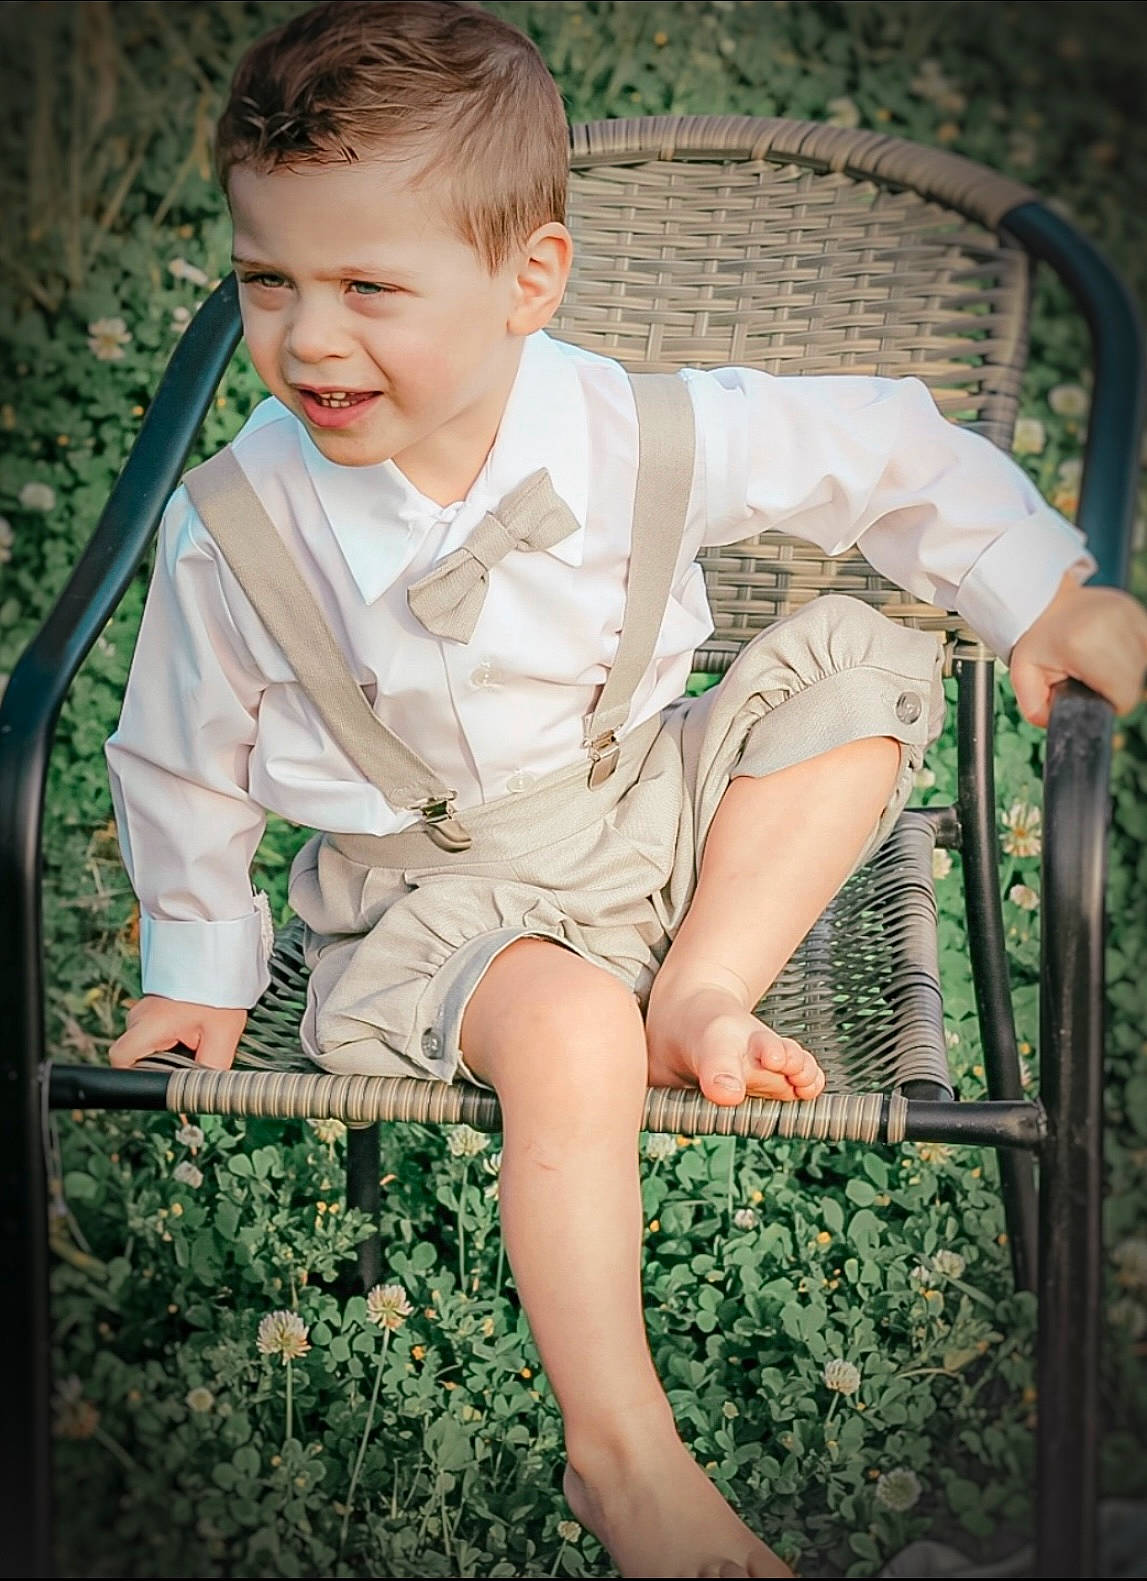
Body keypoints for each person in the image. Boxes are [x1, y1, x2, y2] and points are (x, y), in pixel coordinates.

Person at [104, 3, 1147, 1575]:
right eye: (270, 281)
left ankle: (705, 985)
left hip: (643, 810)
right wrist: (196, 957)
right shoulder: (243, 523)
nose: (309, 339)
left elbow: (876, 450)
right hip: (431, 899)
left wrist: (1041, 595)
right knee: (569, 1021)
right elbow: (178, 749)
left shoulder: (631, 432)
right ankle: (626, 1453)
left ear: (531, 280)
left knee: (862, 659)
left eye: (368, 288)